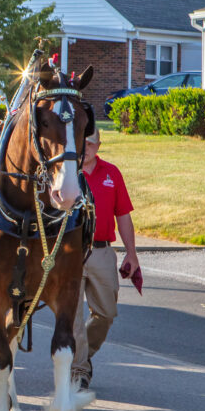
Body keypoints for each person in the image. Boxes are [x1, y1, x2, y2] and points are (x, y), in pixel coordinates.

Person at [72, 127, 140, 389]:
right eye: (82, 142)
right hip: (71, 253)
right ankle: (78, 371)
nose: (86, 147)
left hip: (102, 250)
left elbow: (123, 216)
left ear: (99, 145)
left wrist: (131, 253)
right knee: (74, 316)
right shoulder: (66, 172)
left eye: (90, 143)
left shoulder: (111, 173)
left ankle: (83, 356)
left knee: (107, 313)